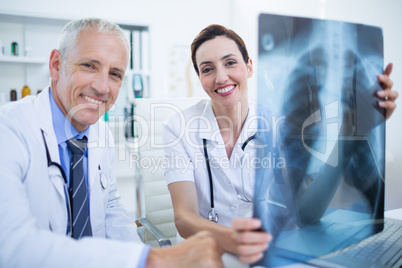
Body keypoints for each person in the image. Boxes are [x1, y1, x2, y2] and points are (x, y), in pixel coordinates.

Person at [0, 18, 257, 268]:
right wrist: (152, 259)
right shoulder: (10, 130)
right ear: (56, 65)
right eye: (89, 65)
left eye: (114, 74)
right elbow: (9, 245)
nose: (102, 87)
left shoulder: (100, 135)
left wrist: (140, 256)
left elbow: (112, 212)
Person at [162, 23, 398, 260]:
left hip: (260, 254)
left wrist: (349, 136)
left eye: (230, 62)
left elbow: (307, 213)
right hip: (203, 256)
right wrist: (236, 240)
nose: (221, 77)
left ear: (249, 67)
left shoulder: (275, 124)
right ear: (200, 78)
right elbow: (184, 218)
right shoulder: (178, 126)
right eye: (207, 69)